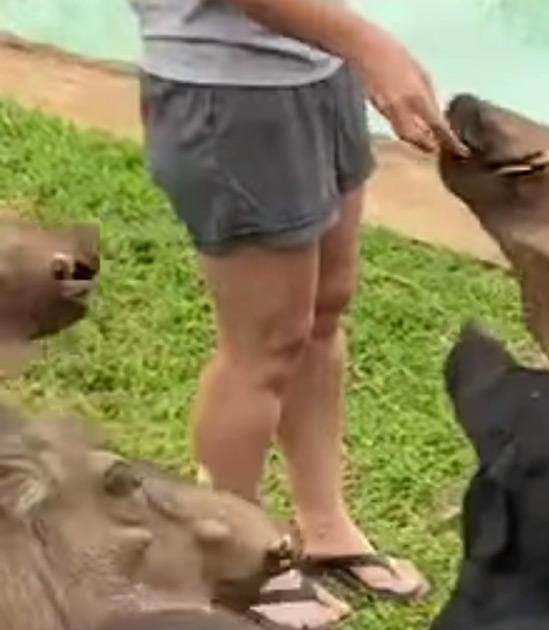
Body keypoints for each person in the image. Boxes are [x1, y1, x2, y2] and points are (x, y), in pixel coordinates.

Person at [128, 0, 468, 627]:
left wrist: (349, 49)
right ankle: (233, 562)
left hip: (313, 68)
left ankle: (324, 525)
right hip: (229, 93)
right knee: (263, 342)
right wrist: (368, 44)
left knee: (323, 310)